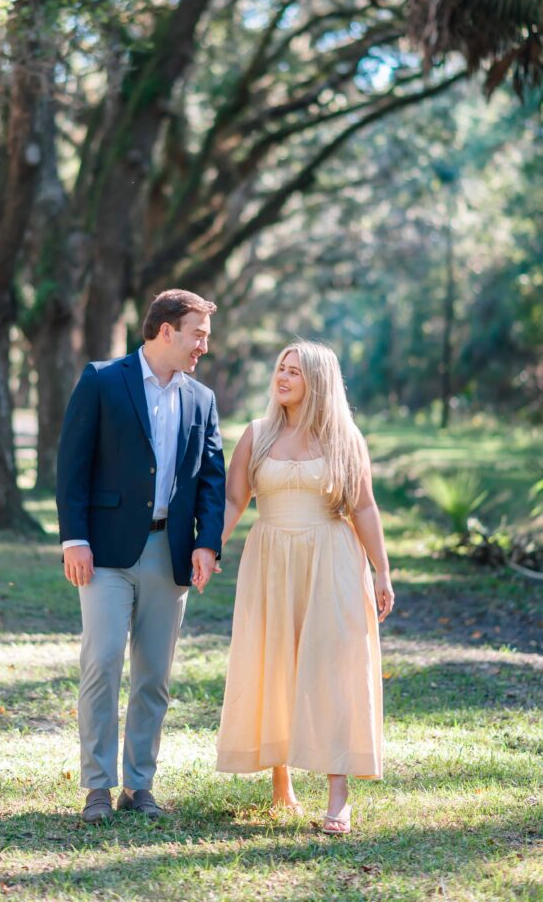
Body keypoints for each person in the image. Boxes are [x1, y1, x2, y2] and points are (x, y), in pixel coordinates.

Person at [56, 289, 225, 823]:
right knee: (101, 664)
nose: (203, 346)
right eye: (197, 334)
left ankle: (140, 785)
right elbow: (71, 465)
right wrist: (73, 539)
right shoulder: (103, 380)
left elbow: (212, 480)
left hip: (168, 554)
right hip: (104, 553)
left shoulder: (202, 399)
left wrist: (206, 542)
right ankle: (98, 788)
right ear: (166, 330)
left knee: (154, 676)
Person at [216, 340, 394, 834]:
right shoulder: (257, 434)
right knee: (274, 661)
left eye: (295, 371)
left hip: (332, 556)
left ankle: (339, 796)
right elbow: (233, 501)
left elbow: (363, 508)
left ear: (318, 381)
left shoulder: (345, 438)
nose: (283, 378)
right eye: (280, 368)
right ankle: (281, 783)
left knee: (334, 665)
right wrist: (210, 549)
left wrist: (382, 571)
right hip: (270, 557)